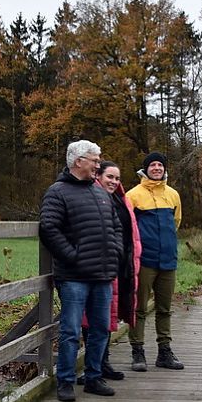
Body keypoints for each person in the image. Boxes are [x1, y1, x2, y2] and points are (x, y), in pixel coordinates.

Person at [39, 140, 123, 402]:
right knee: (71, 331)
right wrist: (73, 256)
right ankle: (65, 381)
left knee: (100, 329)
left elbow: (116, 226)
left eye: (99, 160)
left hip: (102, 274)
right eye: (94, 160)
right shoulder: (58, 192)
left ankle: (93, 377)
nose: (98, 164)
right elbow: (49, 229)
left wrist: (116, 251)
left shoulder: (100, 193)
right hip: (74, 276)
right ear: (78, 162)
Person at [77, 160, 142, 384]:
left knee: (108, 316)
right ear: (99, 177)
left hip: (121, 266)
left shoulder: (121, 199)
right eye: (109, 177)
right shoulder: (92, 198)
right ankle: (94, 367)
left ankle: (102, 363)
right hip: (100, 266)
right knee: (94, 318)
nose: (114, 182)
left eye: (117, 178)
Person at [127, 151, 184, 371]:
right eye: (153, 165)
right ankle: (137, 351)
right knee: (139, 308)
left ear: (164, 169)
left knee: (165, 309)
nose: (157, 168)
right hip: (145, 260)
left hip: (168, 260)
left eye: (160, 164)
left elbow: (176, 222)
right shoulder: (133, 195)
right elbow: (129, 227)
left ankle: (164, 352)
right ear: (146, 169)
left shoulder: (173, 195)